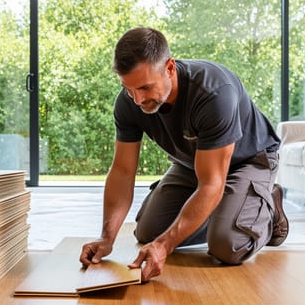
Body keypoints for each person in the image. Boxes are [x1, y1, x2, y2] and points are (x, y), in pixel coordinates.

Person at [79, 27, 288, 282]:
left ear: (169, 68)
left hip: (249, 161)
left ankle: (267, 210)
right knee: (149, 232)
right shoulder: (128, 102)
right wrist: (106, 238)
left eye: (145, 87)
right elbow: (122, 171)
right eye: (129, 89)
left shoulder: (213, 93)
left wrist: (164, 246)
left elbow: (212, 183)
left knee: (227, 245)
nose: (137, 99)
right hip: (192, 163)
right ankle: (230, 210)